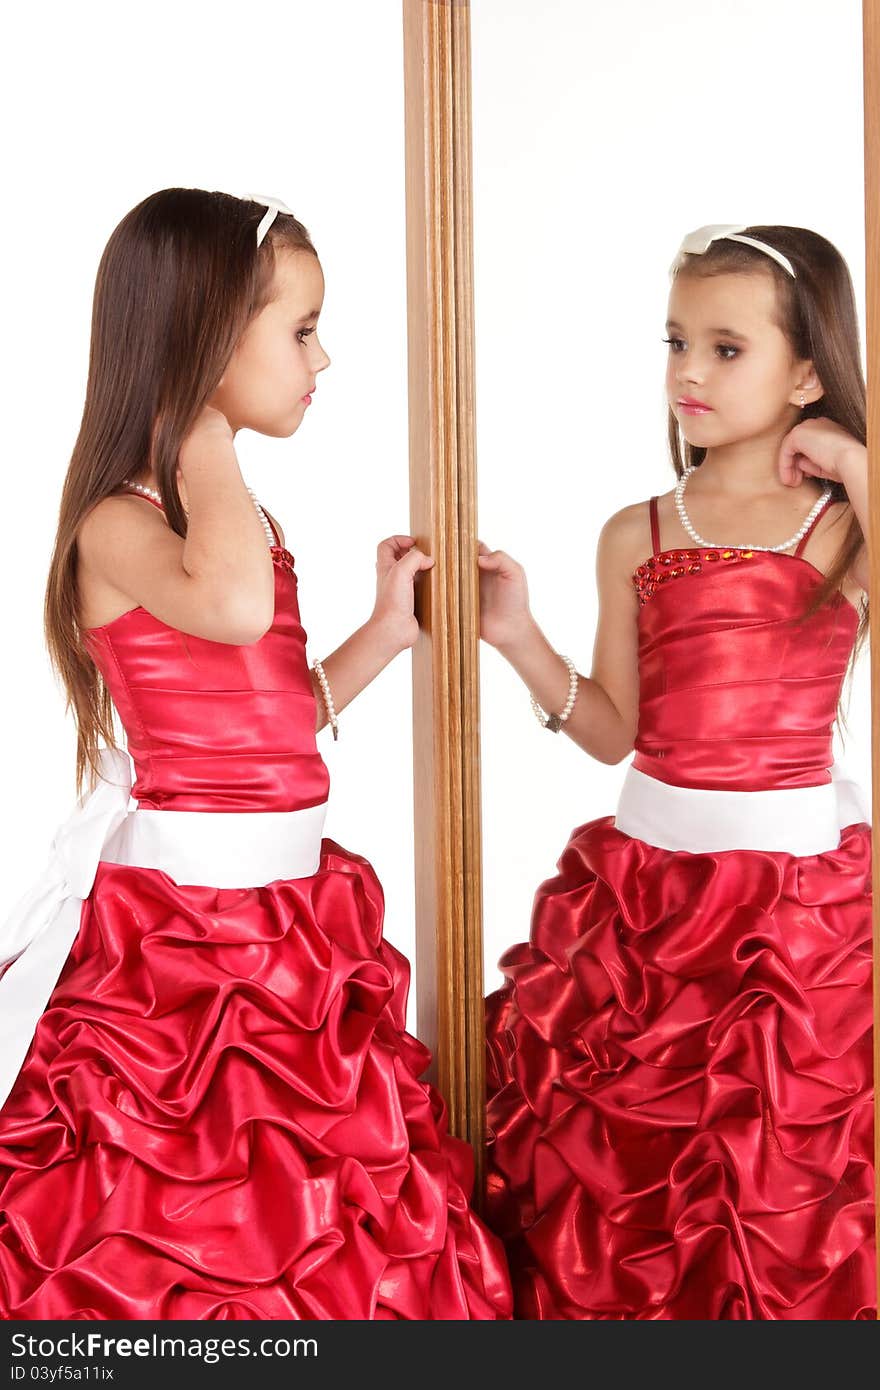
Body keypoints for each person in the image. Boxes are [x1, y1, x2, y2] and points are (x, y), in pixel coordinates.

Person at [0, 188, 512, 1320]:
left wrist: (386, 631)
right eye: (298, 328)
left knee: (330, 1195)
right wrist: (200, 427)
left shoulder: (241, 518)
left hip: (292, 913)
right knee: (190, 1192)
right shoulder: (120, 520)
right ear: (207, 336)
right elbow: (232, 611)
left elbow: (272, 706)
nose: (321, 356)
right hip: (184, 932)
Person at [478, 224, 874, 1320]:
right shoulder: (636, 531)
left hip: (789, 921)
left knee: (775, 1183)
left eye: (726, 349)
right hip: (646, 908)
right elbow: (614, 731)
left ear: (807, 372)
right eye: (675, 342)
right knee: (627, 1180)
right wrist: (517, 638)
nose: (687, 372)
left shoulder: (838, 528)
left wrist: (857, 464)